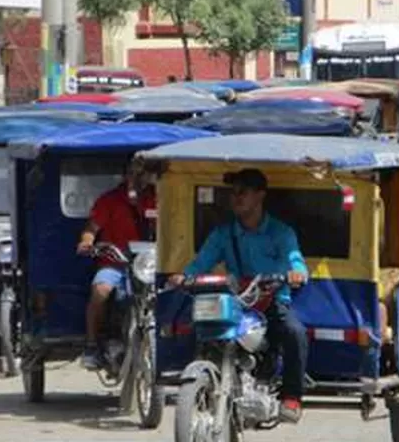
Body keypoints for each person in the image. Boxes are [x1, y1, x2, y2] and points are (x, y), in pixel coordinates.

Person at [168, 168, 309, 423]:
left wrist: (296, 272)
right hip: (236, 302)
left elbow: (294, 259)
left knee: (295, 332)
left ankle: (292, 397)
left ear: (260, 196)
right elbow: (201, 262)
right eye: (233, 193)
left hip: (271, 302)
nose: (236, 199)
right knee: (196, 327)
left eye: (242, 192)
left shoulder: (281, 232)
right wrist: (184, 277)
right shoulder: (223, 233)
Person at [76, 164, 155, 369]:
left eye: (142, 175)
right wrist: (87, 242)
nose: (137, 179)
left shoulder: (157, 198)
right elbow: (91, 229)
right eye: (132, 174)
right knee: (101, 290)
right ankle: (92, 345)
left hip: (147, 266)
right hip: (115, 263)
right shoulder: (108, 200)